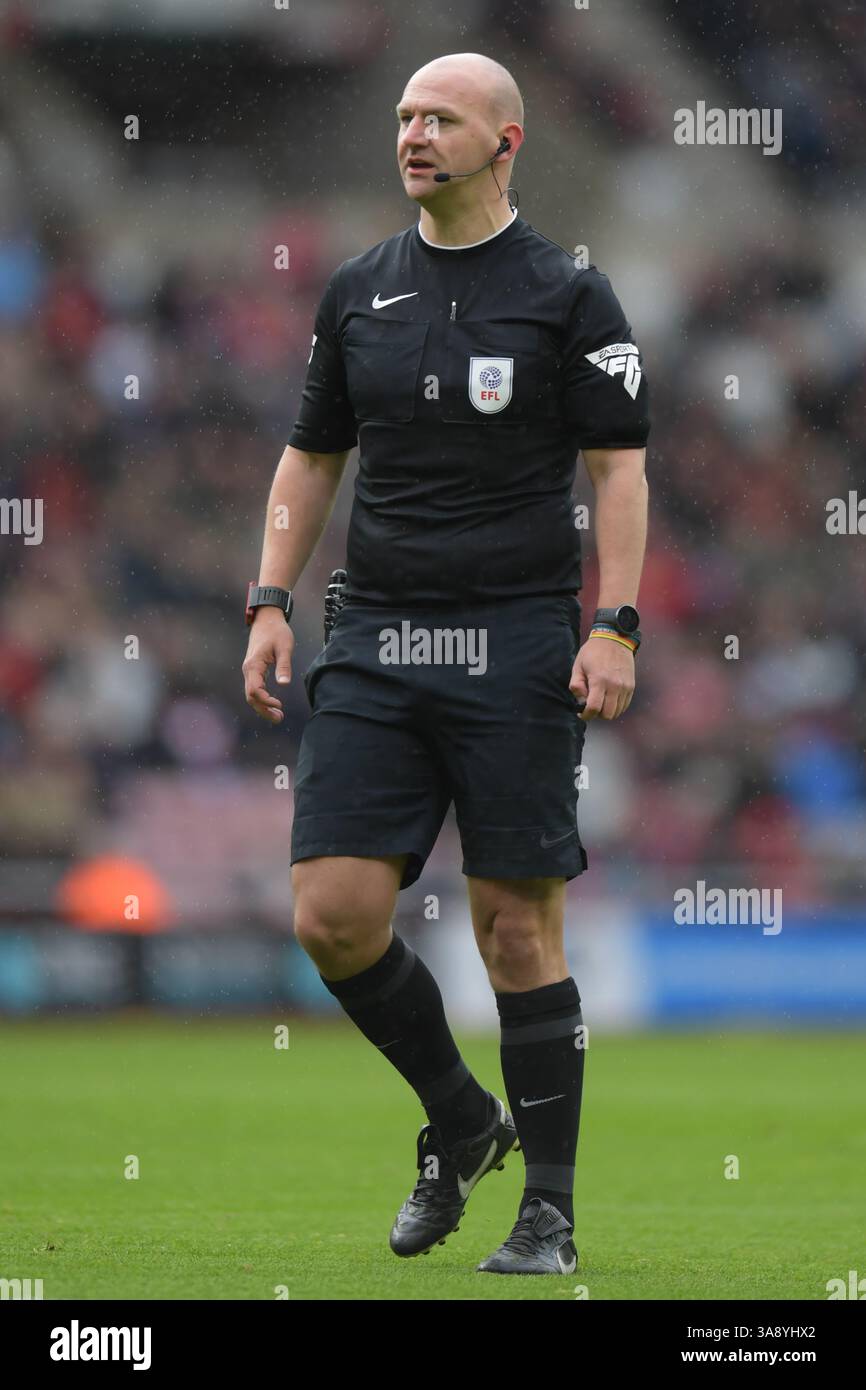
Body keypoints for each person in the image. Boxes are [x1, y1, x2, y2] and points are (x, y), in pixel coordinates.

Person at [242, 51, 649, 1275]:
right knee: (331, 914)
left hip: (518, 639)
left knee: (515, 934)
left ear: (505, 141)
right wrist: (270, 597)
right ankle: (463, 1119)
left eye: (442, 118)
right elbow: (310, 454)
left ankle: (550, 1213)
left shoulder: (569, 294)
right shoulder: (360, 289)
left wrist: (613, 622)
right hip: (375, 637)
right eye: (405, 116)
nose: (415, 133)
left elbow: (617, 467)